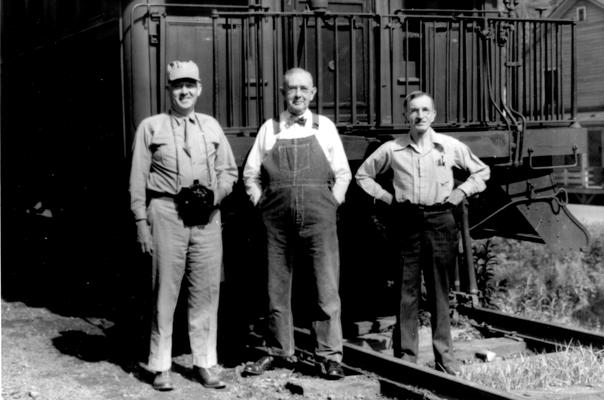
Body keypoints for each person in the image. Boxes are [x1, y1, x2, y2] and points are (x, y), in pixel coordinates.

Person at [355, 91, 490, 375]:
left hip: (441, 219)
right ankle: (406, 357)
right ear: (406, 115)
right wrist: (387, 197)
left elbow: (482, 172)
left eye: (425, 110)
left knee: (441, 291)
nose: (419, 115)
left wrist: (461, 191)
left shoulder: (449, 146)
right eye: (414, 110)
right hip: (406, 221)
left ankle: (445, 358)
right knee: (407, 291)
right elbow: (363, 176)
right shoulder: (392, 149)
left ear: (434, 114)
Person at [129, 60, 238, 391]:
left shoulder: (211, 126)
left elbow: (228, 171)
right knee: (165, 290)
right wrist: (140, 221)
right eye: (178, 86)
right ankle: (160, 365)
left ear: (200, 88)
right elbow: (136, 180)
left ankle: (205, 362)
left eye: (190, 85)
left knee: (206, 290)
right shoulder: (151, 127)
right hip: (166, 213)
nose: (185, 91)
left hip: (206, 217)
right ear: (169, 90)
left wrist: (214, 196)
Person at [242, 67, 351, 380]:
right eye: (292, 89)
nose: (298, 94)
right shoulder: (270, 128)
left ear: (313, 93)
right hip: (275, 218)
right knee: (276, 286)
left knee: (325, 285)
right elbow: (250, 174)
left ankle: (329, 356)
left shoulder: (324, 127)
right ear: (283, 92)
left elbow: (343, 173)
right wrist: (261, 203)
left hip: (320, 214)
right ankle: (278, 350)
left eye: (304, 89)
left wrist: (333, 202)